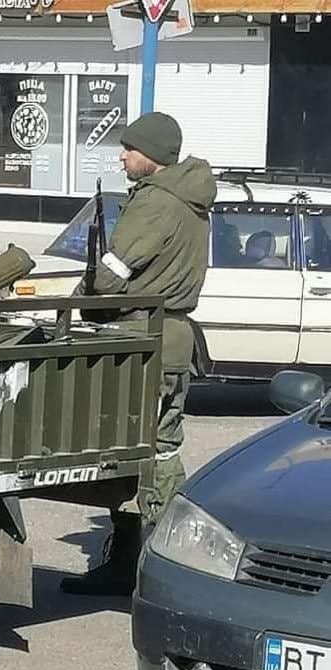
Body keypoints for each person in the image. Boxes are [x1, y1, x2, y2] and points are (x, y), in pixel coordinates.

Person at [60, 112, 216, 597]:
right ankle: (135, 564)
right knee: (150, 448)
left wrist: (85, 293)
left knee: (144, 453)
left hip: (141, 339)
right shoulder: (187, 199)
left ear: (152, 155)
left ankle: (157, 569)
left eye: (130, 149)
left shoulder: (156, 202)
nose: (123, 156)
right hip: (166, 338)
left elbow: (112, 274)